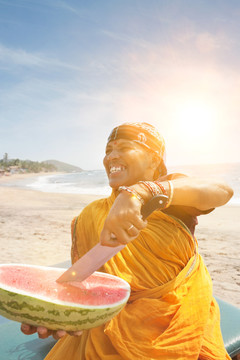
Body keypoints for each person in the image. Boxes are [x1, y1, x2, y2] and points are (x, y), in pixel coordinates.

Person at [21, 122, 233, 359]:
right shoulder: (88, 216)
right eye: (108, 150)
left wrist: (144, 191)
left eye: (123, 147)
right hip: (106, 327)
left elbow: (221, 190)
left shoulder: (171, 192)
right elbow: (84, 281)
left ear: (153, 160)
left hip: (179, 326)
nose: (111, 157)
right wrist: (59, 311)